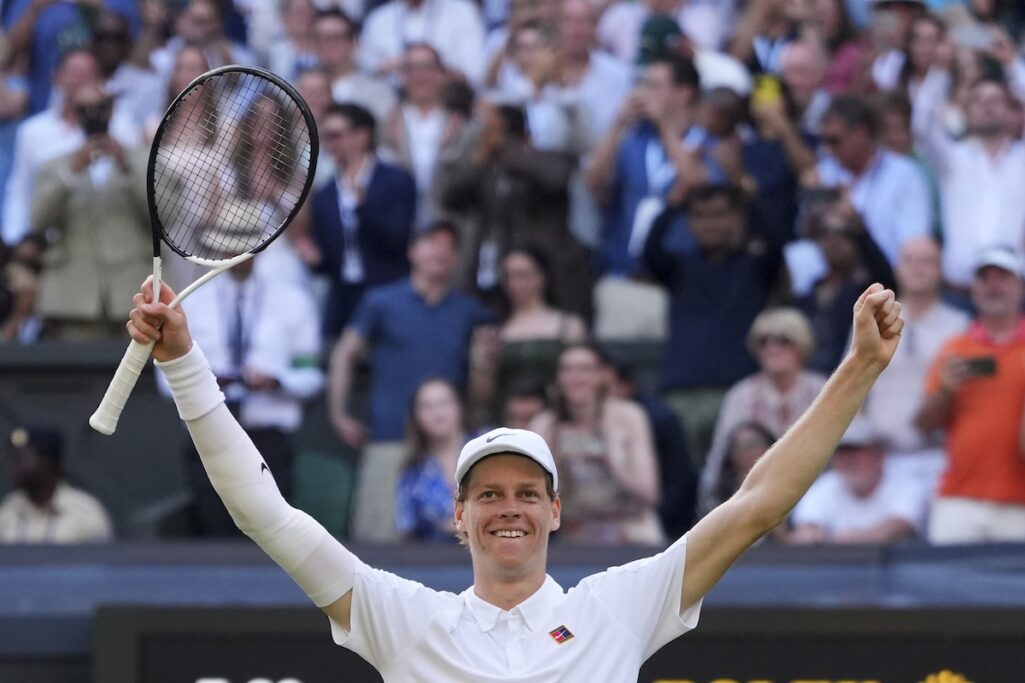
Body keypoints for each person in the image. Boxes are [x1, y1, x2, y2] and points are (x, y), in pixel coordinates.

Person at [125, 271, 903, 680]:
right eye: (489, 494)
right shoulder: (408, 619)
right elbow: (265, 512)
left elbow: (756, 505)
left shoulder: (615, 608)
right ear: (457, 515)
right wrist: (187, 366)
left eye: (527, 492)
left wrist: (858, 367)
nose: (509, 509)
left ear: (555, 511)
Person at [328, 221, 494, 541]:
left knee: (455, 542)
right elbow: (343, 354)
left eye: (449, 247)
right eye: (432, 242)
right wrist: (338, 413)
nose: (441, 251)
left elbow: (481, 389)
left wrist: (483, 363)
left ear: (457, 259)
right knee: (378, 539)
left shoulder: (470, 311)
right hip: (390, 436)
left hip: (449, 446)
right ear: (413, 251)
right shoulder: (382, 301)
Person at [166, 252, 324, 536]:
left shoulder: (291, 302)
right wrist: (207, 381)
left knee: (275, 534)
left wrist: (275, 381)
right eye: (229, 248)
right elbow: (165, 379)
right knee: (213, 528)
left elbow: (310, 375)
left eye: (245, 247)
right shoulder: (191, 303)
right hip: (208, 435)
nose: (237, 257)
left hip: (268, 436)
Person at [915, 245, 1025, 543]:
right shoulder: (955, 349)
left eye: (1003, 277)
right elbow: (924, 425)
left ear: (1020, 285)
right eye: (985, 278)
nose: (993, 286)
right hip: (959, 499)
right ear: (973, 290)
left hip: (1019, 502)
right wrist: (945, 392)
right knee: (945, 589)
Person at [29, 81, 150, 340]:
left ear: (111, 110)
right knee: (79, 376)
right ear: (74, 113)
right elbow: (38, 221)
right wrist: (72, 172)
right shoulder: (56, 166)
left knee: (138, 378)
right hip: (74, 295)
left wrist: (126, 168)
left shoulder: (142, 160)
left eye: (100, 107)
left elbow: (165, 219)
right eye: (84, 109)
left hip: (132, 293)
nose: (93, 115)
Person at [529, 342, 665, 545]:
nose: (576, 377)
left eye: (585, 369)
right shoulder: (544, 425)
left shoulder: (629, 417)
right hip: (573, 534)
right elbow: (533, 498)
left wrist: (615, 459)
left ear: (602, 375)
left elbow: (650, 493)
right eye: (568, 369)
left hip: (632, 529)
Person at [700, 308, 828, 514]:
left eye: (783, 340)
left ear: (802, 345)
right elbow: (720, 461)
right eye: (763, 341)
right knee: (747, 440)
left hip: (818, 494)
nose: (772, 348)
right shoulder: (741, 395)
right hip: (757, 498)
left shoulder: (823, 390)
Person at [308, 103, 417, 340]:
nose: (330, 144)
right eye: (326, 137)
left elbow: (398, 239)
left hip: (389, 291)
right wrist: (311, 256)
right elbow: (329, 261)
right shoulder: (324, 194)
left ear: (363, 135)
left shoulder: (394, 181)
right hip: (344, 297)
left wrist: (363, 207)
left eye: (336, 136)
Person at [468, 247, 587, 426]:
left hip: (558, 422)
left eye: (522, 274)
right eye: (508, 275)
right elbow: (482, 396)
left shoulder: (569, 325)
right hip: (509, 421)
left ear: (542, 276)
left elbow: (585, 379)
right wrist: (483, 359)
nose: (515, 282)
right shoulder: (495, 329)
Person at [787, 415, 927, 544]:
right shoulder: (825, 486)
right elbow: (805, 529)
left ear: (878, 455)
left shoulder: (905, 483)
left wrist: (855, 539)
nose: (848, 460)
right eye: (842, 453)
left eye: (856, 451)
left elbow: (900, 525)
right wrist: (812, 534)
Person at [0, 425, 113, 543]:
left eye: (21, 459)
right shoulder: (7, 511)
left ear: (48, 462)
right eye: (11, 459)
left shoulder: (85, 513)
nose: (15, 467)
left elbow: (103, 559)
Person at [395, 378, 470, 542]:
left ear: (459, 407)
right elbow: (406, 531)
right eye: (427, 406)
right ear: (415, 417)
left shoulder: (488, 449)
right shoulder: (412, 474)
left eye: (444, 402)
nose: (437, 412)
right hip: (436, 560)